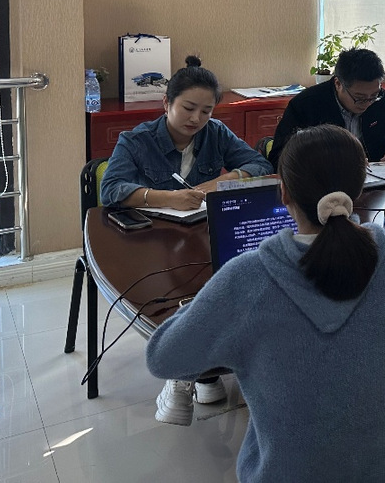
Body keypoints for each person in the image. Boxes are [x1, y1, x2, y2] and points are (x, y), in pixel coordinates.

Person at [145, 124, 385, 482]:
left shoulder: (246, 277)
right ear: (358, 190)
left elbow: (163, 357)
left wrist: (205, 305)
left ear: (283, 192)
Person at [99, 56, 273, 418]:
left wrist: (219, 183)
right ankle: (190, 369)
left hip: (203, 233)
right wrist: (166, 197)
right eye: (188, 108)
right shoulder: (137, 140)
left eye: (206, 111)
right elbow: (111, 189)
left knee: (227, 282)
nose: (196, 119)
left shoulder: (216, 133)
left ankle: (202, 368)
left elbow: (259, 165)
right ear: (167, 103)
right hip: (153, 241)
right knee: (176, 295)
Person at [269, 47, 385, 167]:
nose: (368, 103)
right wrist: (334, 161)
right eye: (359, 98)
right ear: (338, 84)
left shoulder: (380, 99)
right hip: (324, 181)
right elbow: (280, 157)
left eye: (374, 95)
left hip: (374, 178)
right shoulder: (306, 104)